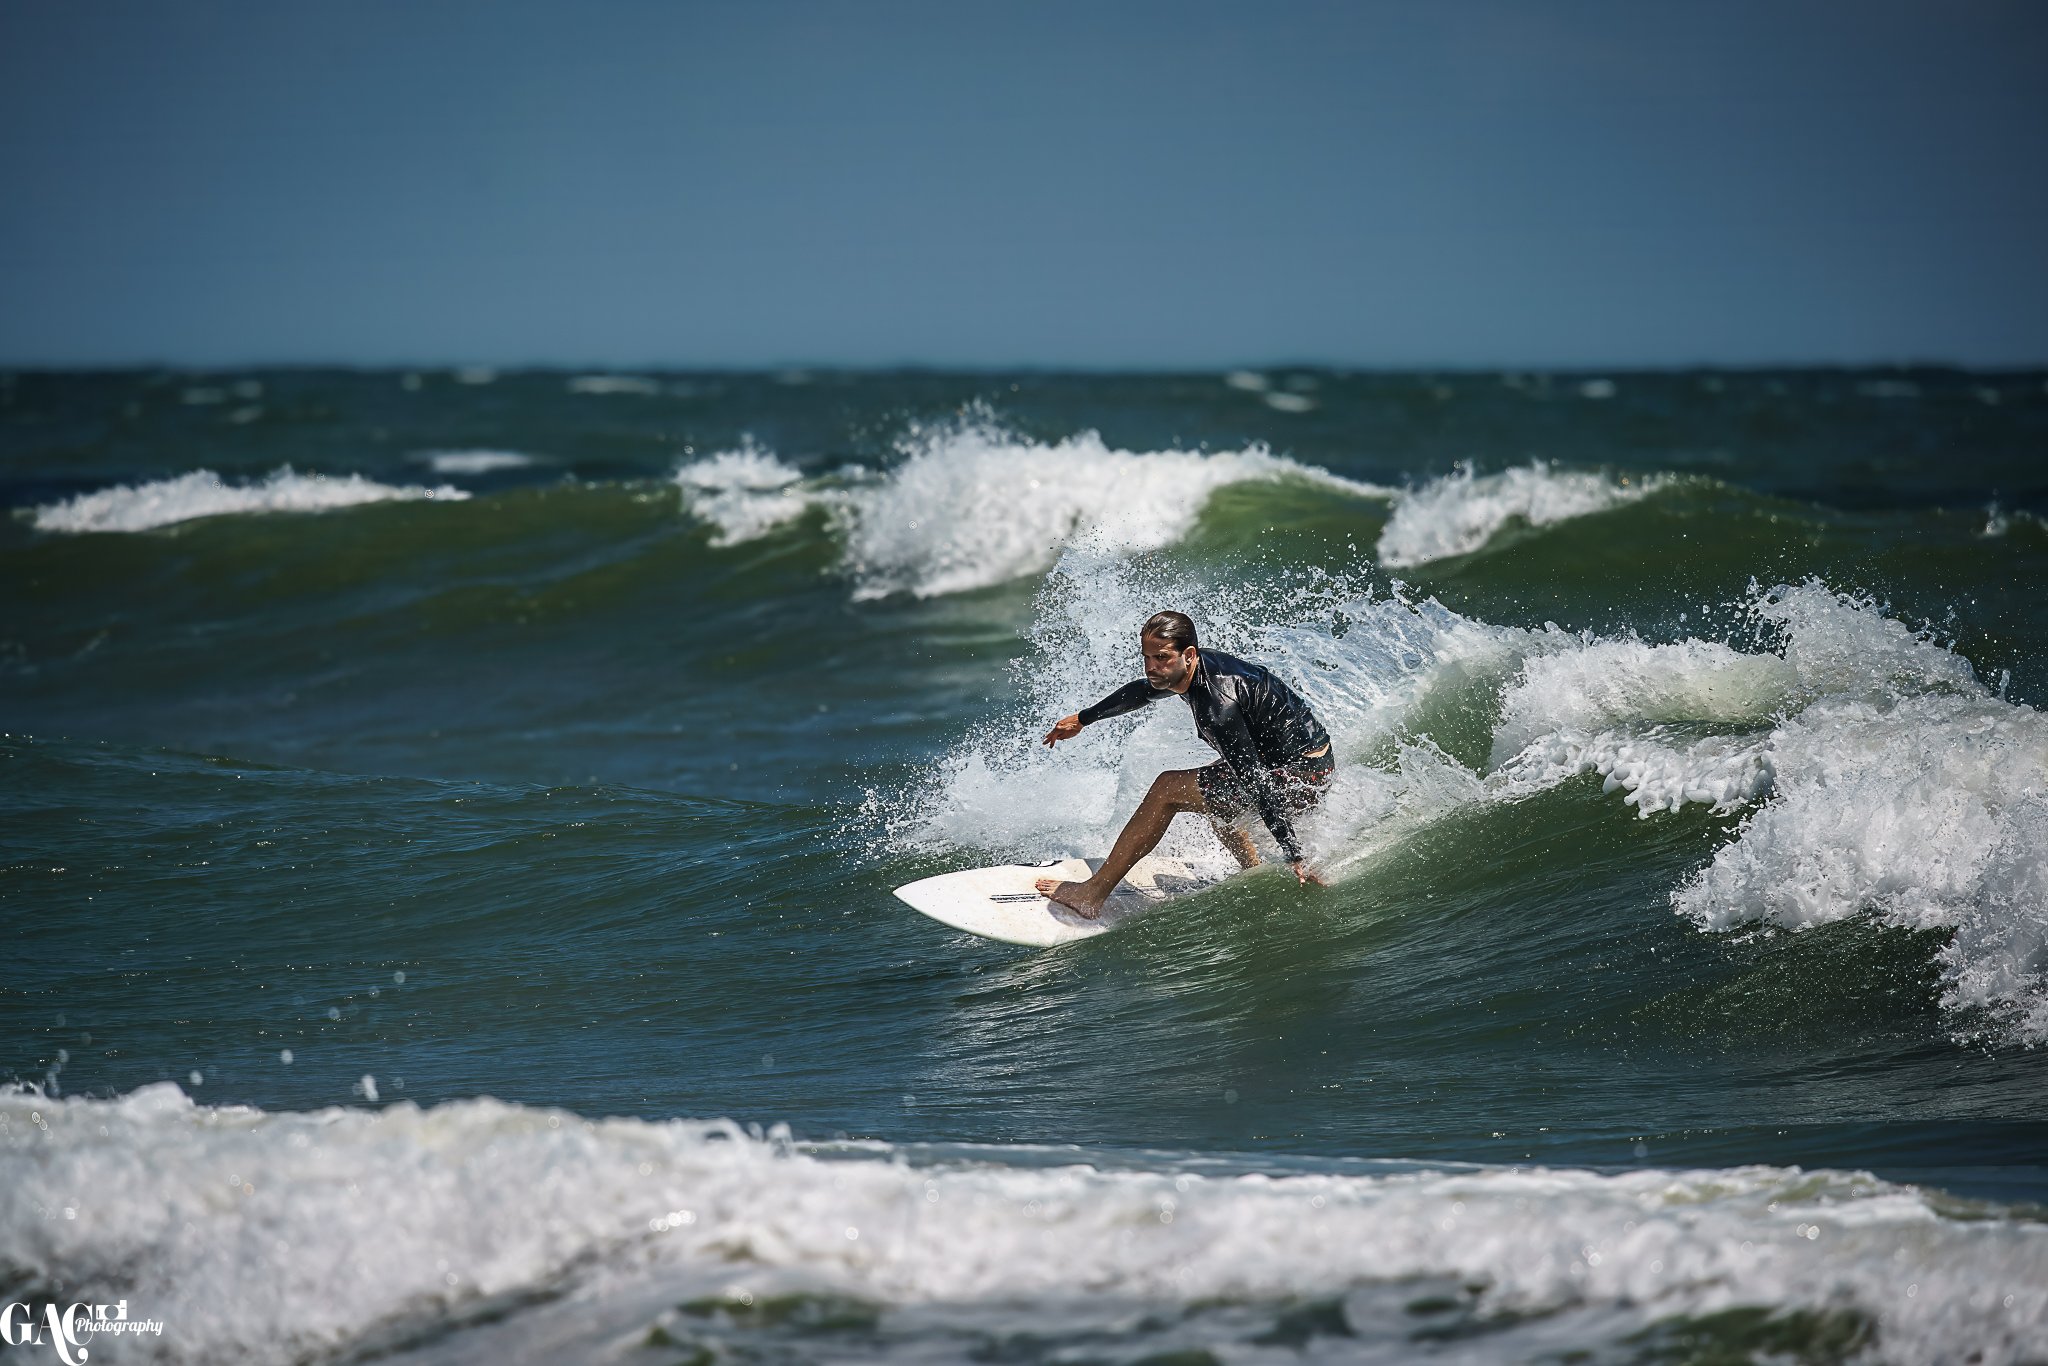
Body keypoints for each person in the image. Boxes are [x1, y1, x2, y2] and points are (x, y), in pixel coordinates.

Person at [1034, 610, 1334, 917]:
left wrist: (1293, 853)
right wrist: (1084, 719)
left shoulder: (1218, 707)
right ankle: (1253, 870)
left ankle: (1092, 894)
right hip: (1300, 761)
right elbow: (1142, 691)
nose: (1152, 667)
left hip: (1302, 776)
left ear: (1188, 654)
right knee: (1213, 790)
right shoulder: (1193, 668)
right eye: (1147, 657)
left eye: (1161, 657)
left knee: (1168, 789)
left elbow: (1254, 779)